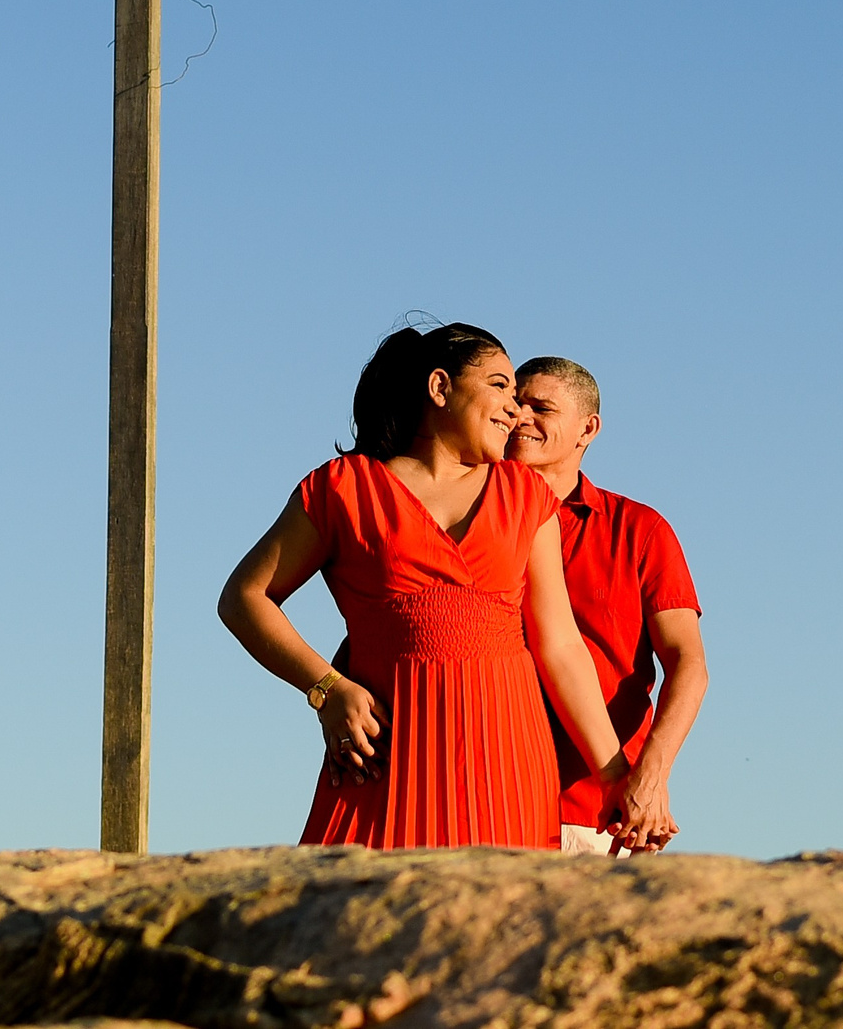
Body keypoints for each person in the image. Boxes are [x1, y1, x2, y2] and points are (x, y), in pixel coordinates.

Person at [216, 322, 634, 848]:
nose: (517, 409)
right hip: (386, 761)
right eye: (500, 386)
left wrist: (614, 772)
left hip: (507, 761)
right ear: (440, 388)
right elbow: (244, 598)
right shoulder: (342, 488)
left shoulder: (526, 494)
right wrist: (326, 689)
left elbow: (560, 646)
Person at [507, 356, 708, 857]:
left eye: (541, 408)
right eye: (515, 404)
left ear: (587, 429)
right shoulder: (468, 519)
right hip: (487, 796)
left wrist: (650, 776)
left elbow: (688, 664)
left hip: (597, 813)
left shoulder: (640, 531)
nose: (521, 418)